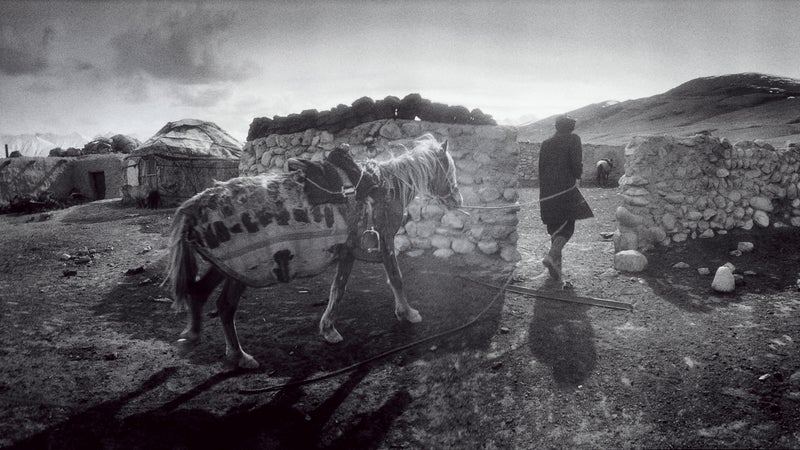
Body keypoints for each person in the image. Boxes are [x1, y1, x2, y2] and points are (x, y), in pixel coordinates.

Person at [538, 115, 594, 285]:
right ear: (571, 128)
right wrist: (578, 175)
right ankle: (552, 255)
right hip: (565, 190)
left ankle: (556, 273)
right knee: (567, 228)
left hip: (547, 192)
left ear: (556, 126)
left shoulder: (546, 143)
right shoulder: (574, 139)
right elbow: (576, 165)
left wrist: (546, 188)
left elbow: (541, 169)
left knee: (554, 229)